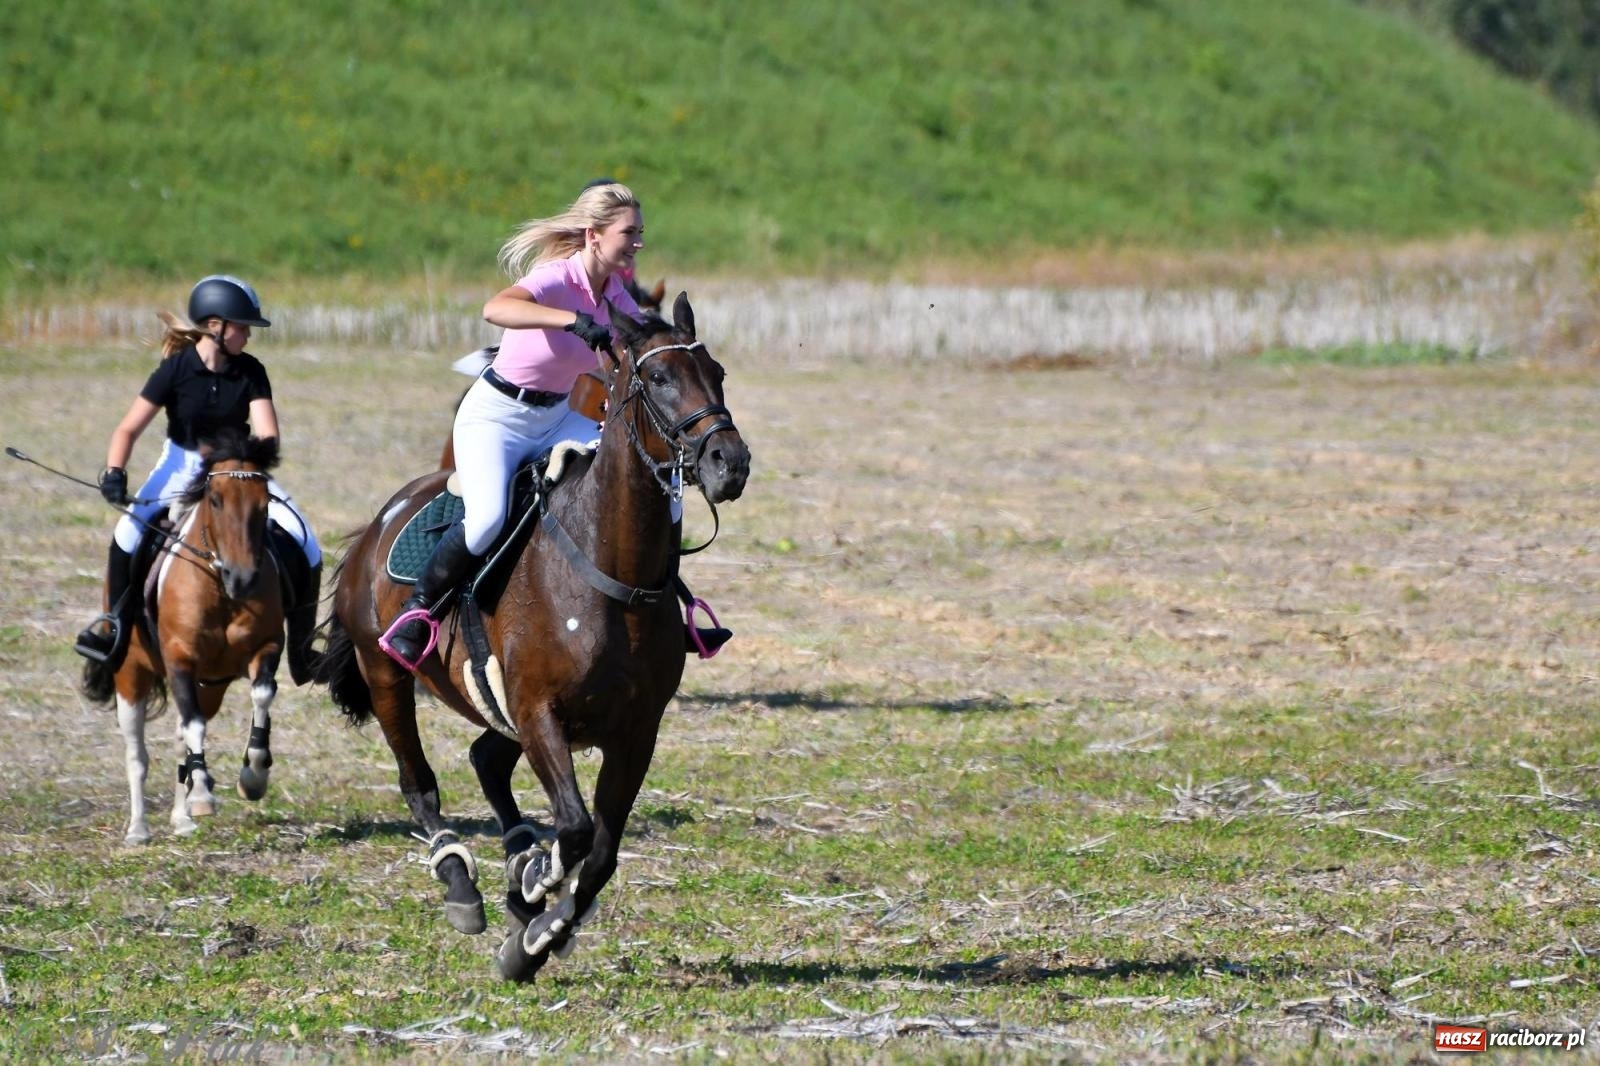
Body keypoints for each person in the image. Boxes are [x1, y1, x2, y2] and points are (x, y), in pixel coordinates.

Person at [380, 181, 729, 669]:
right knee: (486, 520)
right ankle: (419, 613)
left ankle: (670, 609)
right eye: (630, 232)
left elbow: (645, 344)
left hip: (557, 417)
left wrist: (680, 344)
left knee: (658, 483)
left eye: (640, 233)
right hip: (497, 418)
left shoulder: (617, 296)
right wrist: (568, 320)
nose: (638, 243)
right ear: (594, 235)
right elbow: (494, 308)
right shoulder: (554, 278)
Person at [74, 275, 324, 684]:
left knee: (305, 538)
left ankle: (300, 648)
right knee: (127, 535)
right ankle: (113, 628)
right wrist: (115, 472)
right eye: (242, 327)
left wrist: (243, 457)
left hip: (237, 467)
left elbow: (268, 436)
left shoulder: (251, 372)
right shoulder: (175, 371)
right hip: (180, 463)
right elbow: (127, 430)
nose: (247, 335)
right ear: (215, 326)